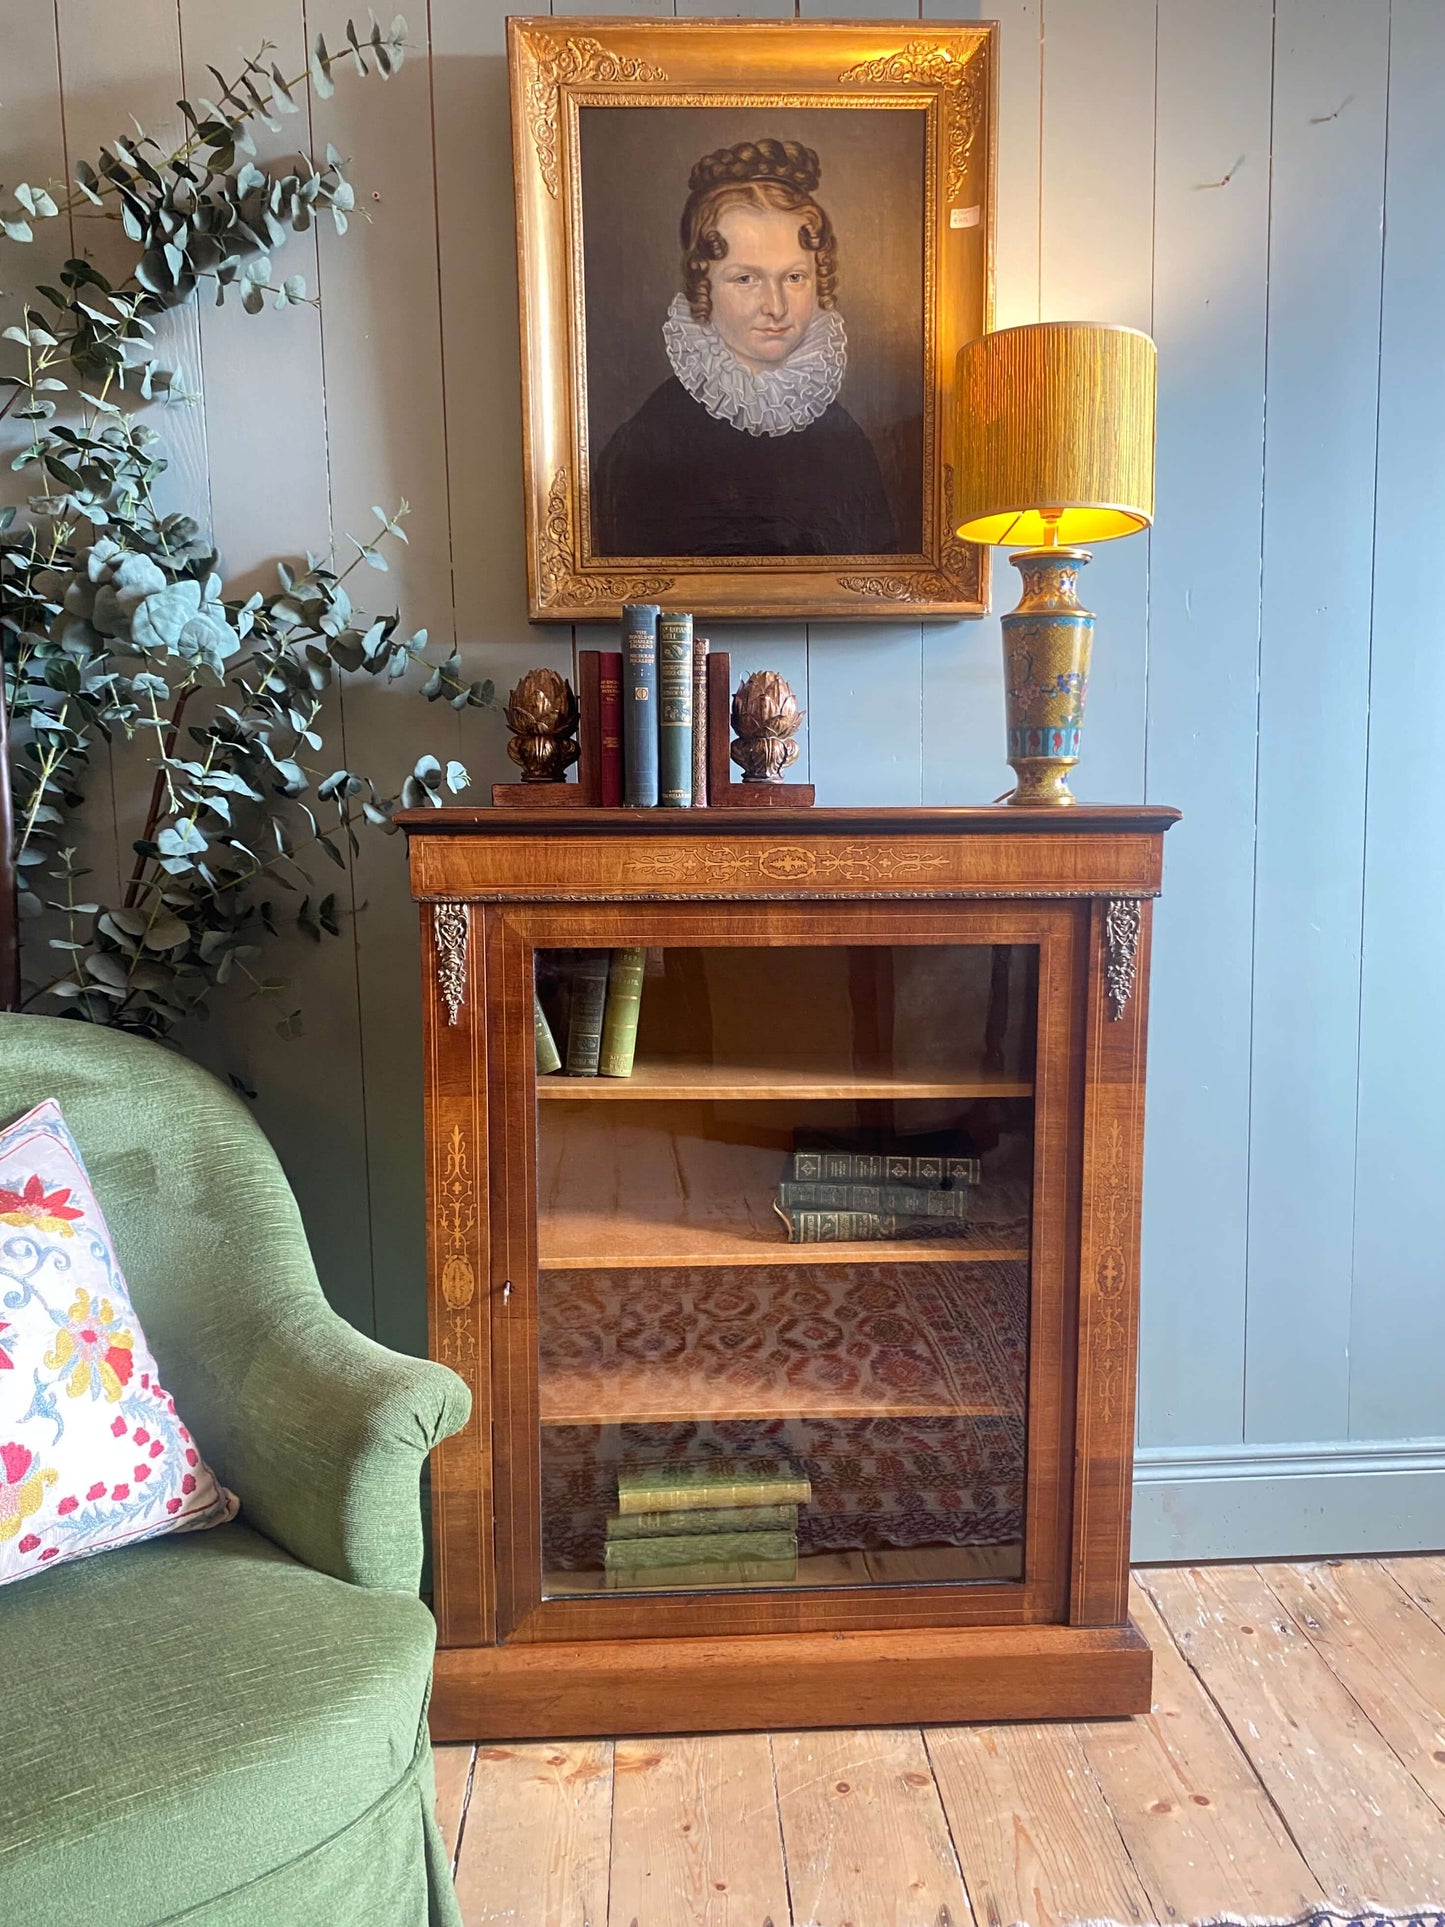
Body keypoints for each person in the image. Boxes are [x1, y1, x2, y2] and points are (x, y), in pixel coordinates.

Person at [591, 138, 899, 558]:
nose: (775, 307)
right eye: (745, 279)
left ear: (819, 278)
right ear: (705, 287)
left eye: (794, 278)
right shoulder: (648, 443)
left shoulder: (845, 441)